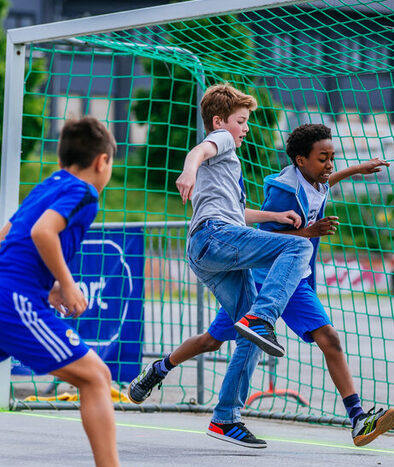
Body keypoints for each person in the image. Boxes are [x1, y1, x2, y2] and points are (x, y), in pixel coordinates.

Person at [128, 122, 394, 448]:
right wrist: (308, 233)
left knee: (330, 339)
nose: (329, 165)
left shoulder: (316, 180)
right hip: (265, 280)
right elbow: (264, 239)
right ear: (300, 160)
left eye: (332, 157)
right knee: (212, 341)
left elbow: (325, 184)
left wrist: (357, 169)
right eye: (323, 158)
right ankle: (160, 367)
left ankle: (357, 419)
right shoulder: (284, 190)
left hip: (296, 285)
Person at [0, 117, 167, 467]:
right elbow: (43, 233)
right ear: (102, 161)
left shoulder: (46, 185)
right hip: (11, 300)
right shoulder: (85, 193)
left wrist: (49, 282)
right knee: (96, 376)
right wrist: (67, 281)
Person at [130, 83, 314, 448]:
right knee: (297, 249)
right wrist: (188, 170)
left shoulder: (228, 166)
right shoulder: (221, 141)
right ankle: (261, 317)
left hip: (210, 250)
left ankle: (225, 417)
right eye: (241, 121)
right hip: (214, 237)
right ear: (220, 121)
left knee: (251, 339)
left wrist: (275, 214)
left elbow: (237, 212)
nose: (245, 128)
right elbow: (200, 149)